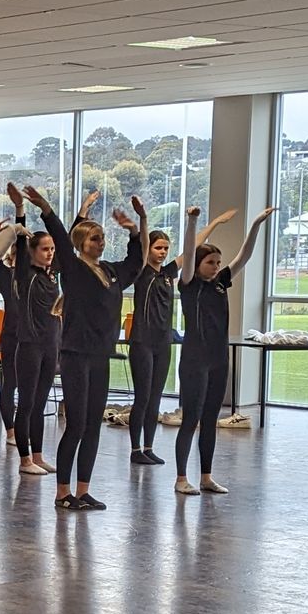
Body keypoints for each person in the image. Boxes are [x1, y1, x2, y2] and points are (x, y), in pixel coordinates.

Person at [28, 185, 140, 511]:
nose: (100, 243)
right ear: (81, 244)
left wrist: (134, 232)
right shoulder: (73, 270)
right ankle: (62, 493)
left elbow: (135, 263)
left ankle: (83, 490)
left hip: (101, 355)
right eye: (94, 239)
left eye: (102, 238)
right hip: (76, 354)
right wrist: (46, 209)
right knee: (76, 424)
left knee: (93, 426)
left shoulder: (111, 272)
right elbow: (61, 241)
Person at [173, 202, 273, 496]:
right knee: (191, 419)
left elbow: (245, 256)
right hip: (194, 359)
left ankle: (206, 476)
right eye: (210, 263)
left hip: (218, 358)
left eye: (218, 262)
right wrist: (192, 223)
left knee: (210, 420)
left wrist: (256, 224)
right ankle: (181, 478)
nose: (216, 267)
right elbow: (188, 253)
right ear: (198, 265)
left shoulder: (221, 282)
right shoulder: (189, 284)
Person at [2, 187, 62, 475]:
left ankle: (37, 456)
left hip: (51, 345)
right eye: (44, 249)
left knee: (39, 403)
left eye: (51, 249)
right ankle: (25, 460)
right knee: (26, 403)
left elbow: (66, 242)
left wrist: (81, 214)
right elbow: (21, 237)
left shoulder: (52, 275)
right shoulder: (25, 274)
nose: (49, 253)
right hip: (29, 346)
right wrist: (20, 210)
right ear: (32, 252)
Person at [124, 200, 177, 466]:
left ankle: (149, 447)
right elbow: (143, 243)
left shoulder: (168, 273)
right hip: (142, 341)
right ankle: (135, 449)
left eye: (166, 248)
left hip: (163, 342)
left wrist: (211, 224)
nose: (162, 252)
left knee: (155, 397)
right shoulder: (143, 271)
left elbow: (192, 250)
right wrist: (143, 217)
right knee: (143, 397)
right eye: (158, 247)